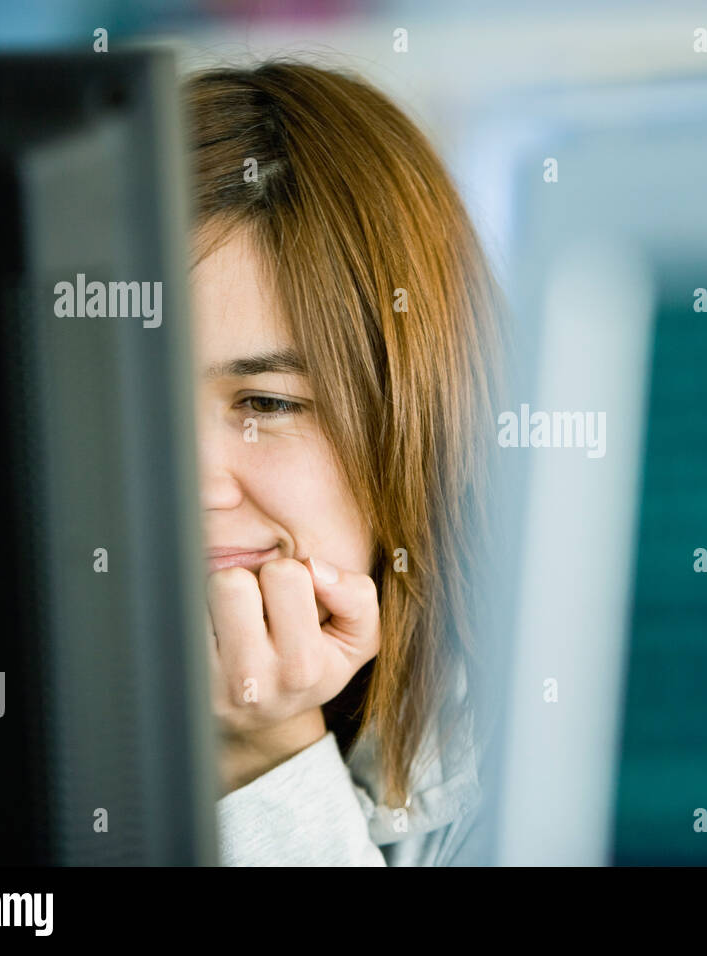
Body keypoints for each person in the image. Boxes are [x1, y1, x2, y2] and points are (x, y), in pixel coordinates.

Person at [185, 60, 505, 865]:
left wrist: (264, 761)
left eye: (267, 404)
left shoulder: (543, 775)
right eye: (131, 403)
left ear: (420, 421)